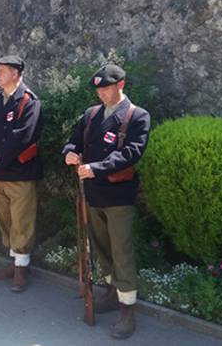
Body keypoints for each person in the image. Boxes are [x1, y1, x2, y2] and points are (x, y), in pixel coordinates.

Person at [62, 64, 151, 339]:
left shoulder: (138, 116)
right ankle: (112, 292)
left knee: (121, 250)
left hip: (118, 195)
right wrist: (69, 153)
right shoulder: (90, 115)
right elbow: (73, 141)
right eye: (99, 89)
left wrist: (96, 167)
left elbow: (131, 153)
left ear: (121, 85)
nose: (101, 93)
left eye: (106, 88)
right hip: (93, 193)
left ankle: (127, 308)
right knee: (100, 247)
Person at [0, 55, 42, 292]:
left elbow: (21, 137)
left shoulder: (29, 102)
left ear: (15, 73)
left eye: (1, 71)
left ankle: (22, 268)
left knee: (21, 221)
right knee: (5, 220)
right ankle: (15, 262)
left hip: (20, 172)